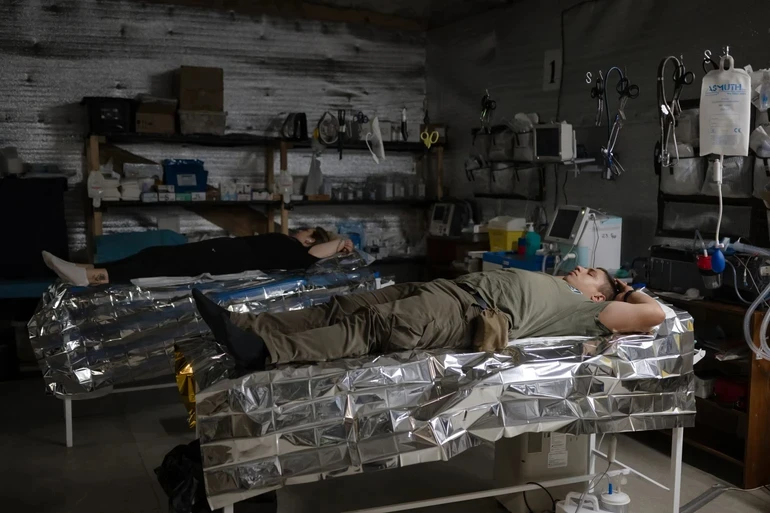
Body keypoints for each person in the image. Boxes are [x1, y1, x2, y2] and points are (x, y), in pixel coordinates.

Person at [192, 266, 666, 371]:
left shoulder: (592, 310)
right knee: (346, 307)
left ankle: (267, 351)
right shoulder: (556, 281)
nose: (580, 270)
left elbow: (655, 314)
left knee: (375, 328)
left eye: (591, 274)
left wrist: (626, 288)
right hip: (447, 288)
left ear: (601, 293)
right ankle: (251, 327)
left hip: (462, 313)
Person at [42, 227, 353, 286]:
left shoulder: (298, 253)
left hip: (223, 259)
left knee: (156, 262)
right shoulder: (289, 246)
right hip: (221, 252)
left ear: (311, 240)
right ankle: (87, 269)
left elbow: (312, 256)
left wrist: (340, 242)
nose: (299, 231)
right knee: (154, 253)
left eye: (306, 232)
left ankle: (90, 277)